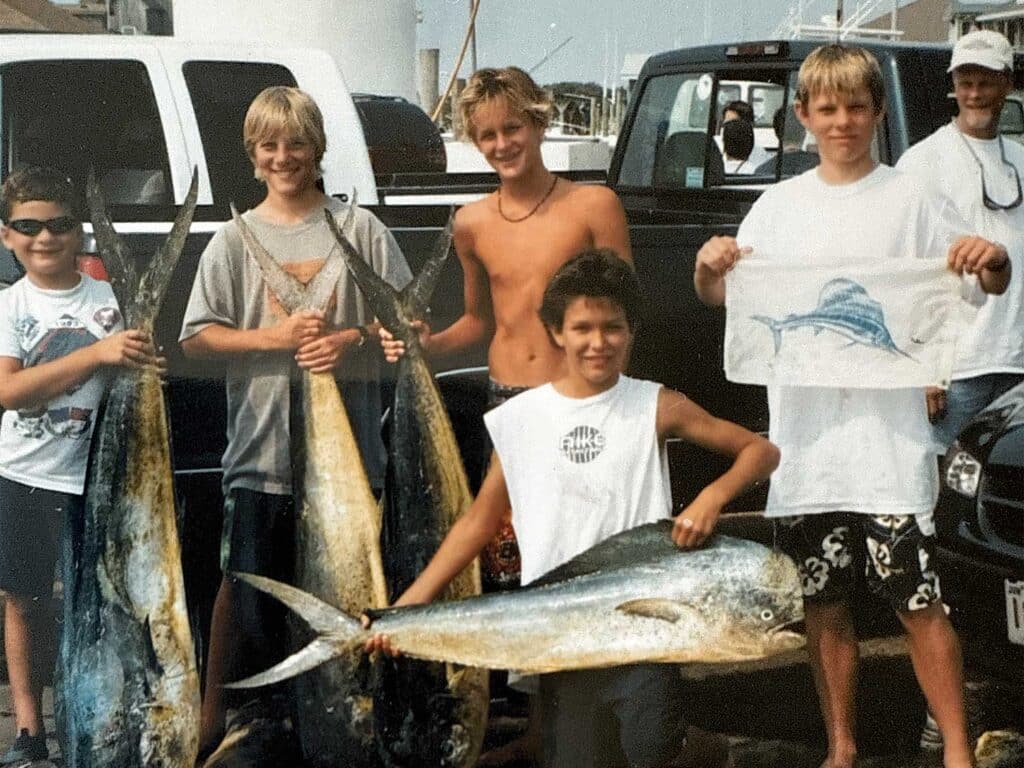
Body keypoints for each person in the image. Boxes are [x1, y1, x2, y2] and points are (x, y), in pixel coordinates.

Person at [694, 44, 1010, 768]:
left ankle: (957, 751)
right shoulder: (775, 207)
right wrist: (707, 269)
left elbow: (987, 278)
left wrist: (989, 259)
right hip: (808, 448)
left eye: (857, 107)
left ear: (876, 113)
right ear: (802, 116)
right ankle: (841, 747)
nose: (843, 122)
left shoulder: (915, 199)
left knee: (919, 601)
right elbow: (725, 299)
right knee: (824, 604)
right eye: (827, 109)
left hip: (889, 446)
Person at [367, 249, 778, 768]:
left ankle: (707, 752)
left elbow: (761, 452)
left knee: (652, 747)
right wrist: (411, 603)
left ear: (632, 331)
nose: (598, 342)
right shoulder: (520, 418)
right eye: (582, 327)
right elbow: (480, 521)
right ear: (556, 332)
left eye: (613, 328)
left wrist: (710, 499)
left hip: (644, 625)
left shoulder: (656, 404)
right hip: (560, 632)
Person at [178, 86, 411, 756]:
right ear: (253, 155)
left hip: (349, 461)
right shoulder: (231, 240)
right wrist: (274, 341)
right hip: (260, 454)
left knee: (351, 585)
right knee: (239, 582)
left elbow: (400, 326)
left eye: (297, 143)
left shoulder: (362, 229)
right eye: (270, 145)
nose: (284, 156)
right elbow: (197, 340)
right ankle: (215, 712)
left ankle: (351, 709)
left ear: (318, 150)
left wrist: (351, 339)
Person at [0, 166, 163, 765]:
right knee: (25, 600)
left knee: (97, 603)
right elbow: (9, 391)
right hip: (26, 475)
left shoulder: (110, 301)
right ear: (5, 235)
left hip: (100, 480)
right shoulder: (9, 305)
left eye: (59, 225)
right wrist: (98, 352)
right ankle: (27, 728)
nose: (44, 237)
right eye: (28, 226)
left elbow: (137, 373)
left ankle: (94, 724)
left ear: (82, 232)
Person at [897, 30, 1024, 448]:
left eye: (986, 82)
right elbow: (906, 273)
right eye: (965, 82)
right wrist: (922, 368)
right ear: (953, 86)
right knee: (945, 496)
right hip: (957, 370)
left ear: (1007, 82)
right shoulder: (921, 163)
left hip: (1017, 366)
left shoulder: (1020, 159)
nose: (974, 94)